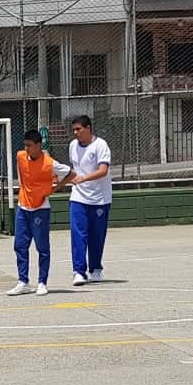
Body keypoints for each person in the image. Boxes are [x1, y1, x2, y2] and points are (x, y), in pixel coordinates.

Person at [9, 128, 70, 297]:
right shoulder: (20, 156)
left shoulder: (50, 163)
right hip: (23, 206)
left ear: (38, 145)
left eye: (29, 145)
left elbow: (70, 173)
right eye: (25, 145)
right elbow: (22, 175)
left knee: (42, 247)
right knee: (20, 245)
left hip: (40, 209)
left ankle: (42, 282)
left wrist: (54, 189)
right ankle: (23, 281)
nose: (26, 148)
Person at [67, 113, 113, 285]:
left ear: (88, 128)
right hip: (78, 196)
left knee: (96, 236)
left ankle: (95, 269)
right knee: (78, 234)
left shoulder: (100, 145)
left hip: (100, 199)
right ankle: (78, 272)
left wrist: (84, 178)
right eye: (73, 130)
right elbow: (74, 169)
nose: (76, 133)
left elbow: (103, 170)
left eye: (78, 129)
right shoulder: (73, 145)